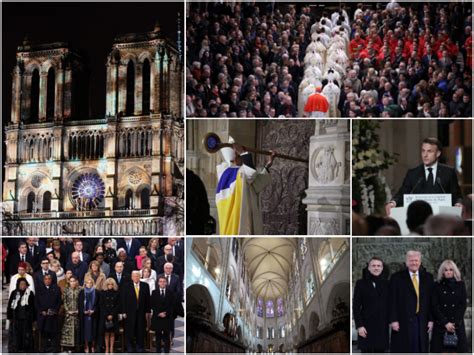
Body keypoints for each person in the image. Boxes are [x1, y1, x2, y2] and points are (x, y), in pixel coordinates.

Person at [386, 137, 463, 215]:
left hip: (441, 217)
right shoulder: (413, 173)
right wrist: (393, 203)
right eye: (423, 151)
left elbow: (456, 195)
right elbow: (403, 193)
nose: (425, 155)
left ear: (438, 153)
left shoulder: (449, 172)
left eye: (429, 151)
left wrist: (458, 203)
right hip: (418, 217)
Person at [215, 137, 275, 235]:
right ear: (234, 158)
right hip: (237, 223)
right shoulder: (230, 173)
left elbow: (254, 186)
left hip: (246, 217)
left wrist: (268, 165)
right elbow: (250, 173)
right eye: (239, 156)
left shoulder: (237, 174)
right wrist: (243, 152)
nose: (242, 159)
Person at [389, 250, 434, 353]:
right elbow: (392, 300)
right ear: (406, 262)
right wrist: (393, 320)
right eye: (411, 260)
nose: (414, 263)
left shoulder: (428, 278)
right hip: (402, 320)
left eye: (416, 260)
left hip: (422, 320)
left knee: (420, 348)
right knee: (404, 349)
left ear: (420, 261)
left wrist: (431, 320)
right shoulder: (396, 278)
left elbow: (431, 301)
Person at [353, 257, 390, 352]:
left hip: (382, 325)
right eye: (373, 265)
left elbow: (392, 304)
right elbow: (356, 306)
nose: (376, 268)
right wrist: (359, 325)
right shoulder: (360, 283)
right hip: (365, 326)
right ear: (369, 268)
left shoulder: (388, 284)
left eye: (378, 266)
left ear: (382, 268)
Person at [430, 260, 468, 353]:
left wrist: (454, 323)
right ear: (442, 272)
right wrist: (445, 323)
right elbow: (434, 306)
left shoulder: (461, 285)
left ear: (454, 271)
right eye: (446, 270)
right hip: (441, 326)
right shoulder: (437, 286)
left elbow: (462, 305)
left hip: (456, 325)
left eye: (451, 269)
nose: (448, 272)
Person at [121, 270, 151, 352]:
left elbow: (148, 299)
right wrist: (123, 312)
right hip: (129, 313)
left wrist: (148, 311)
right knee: (129, 330)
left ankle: (140, 346)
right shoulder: (126, 286)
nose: (136, 277)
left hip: (142, 312)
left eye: (137, 276)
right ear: (131, 277)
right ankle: (130, 346)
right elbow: (123, 300)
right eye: (134, 276)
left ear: (140, 276)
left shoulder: (145, 286)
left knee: (140, 330)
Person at [7, 278, 35, 352]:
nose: (23, 286)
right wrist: (9, 317)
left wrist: (33, 318)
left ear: (26, 285)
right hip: (16, 318)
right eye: (21, 284)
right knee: (17, 335)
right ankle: (16, 348)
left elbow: (33, 306)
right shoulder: (14, 293)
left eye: (24, 284)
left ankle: (26, 349)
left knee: (26, 335)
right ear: (18, 285)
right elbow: (10, 305)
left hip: (26, 318)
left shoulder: (30, 293)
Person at [35, 274, 62, 352]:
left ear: (51, 280)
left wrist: (54, 310)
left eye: (49, 279)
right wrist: (41, 311)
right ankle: (44, 348)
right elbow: (36, 302)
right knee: (44, 332)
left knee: (53, 332)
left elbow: (59, 301)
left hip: (53, 315)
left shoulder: (56, 288)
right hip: (42, 315)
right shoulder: (39, 289)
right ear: (43, 280)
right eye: (46, 279)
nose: (47, 280)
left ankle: (54, 348)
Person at [151, 276, 175, 353]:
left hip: (167, 317)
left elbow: (172, 305)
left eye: (164, 281)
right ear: (158, 283)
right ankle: (158, 352)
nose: (162, 283)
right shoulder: (154, 292)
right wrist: (158, 313)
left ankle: (166, 352)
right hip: (157, 317)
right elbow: (152, 305)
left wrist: (166, 313)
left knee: (166, 336)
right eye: (160, 281)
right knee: (158, 336)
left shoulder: (170, 293)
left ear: (166, 283)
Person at [99, 278, 120, 354]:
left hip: (113, 315)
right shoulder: (102, 293)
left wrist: (112, 314)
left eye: (111, 284)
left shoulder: (117, 293)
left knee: (112, 332)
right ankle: (107, 348)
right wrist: (107, 315)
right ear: (106, 285)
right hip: (105, 316)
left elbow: (118, 305)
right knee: (106, 332)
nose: (110, 285)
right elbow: (101, 305)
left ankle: (111, 347)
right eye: (108, 284)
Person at [60, 275, 81, 352]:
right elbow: (64, 301)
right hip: (68, 314)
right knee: (67, 330)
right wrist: (67, 310)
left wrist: (78, 310)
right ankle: (67, 347)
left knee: (76, 330)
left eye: (74, 281)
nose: (72, 283)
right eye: (71, 281)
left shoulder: (80, 290)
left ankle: (76, 347)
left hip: (77, 314)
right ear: (69, 282)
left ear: (76, 282)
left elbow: (82, 302)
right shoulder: (66, 290)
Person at [79, 277, 99, 353]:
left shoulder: (96, 292)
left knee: (93, 330)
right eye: (87, 282)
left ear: (93, 283)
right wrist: (83, 311)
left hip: (94, 314)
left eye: (91, 282)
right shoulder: (82, 292)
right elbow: (80, 304)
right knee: (86, 331)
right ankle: (86, 346)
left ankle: (93, 346)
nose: (89, 284)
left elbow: (98, 304)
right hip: (85, 315)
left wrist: (94, 311)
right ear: (85, 284)